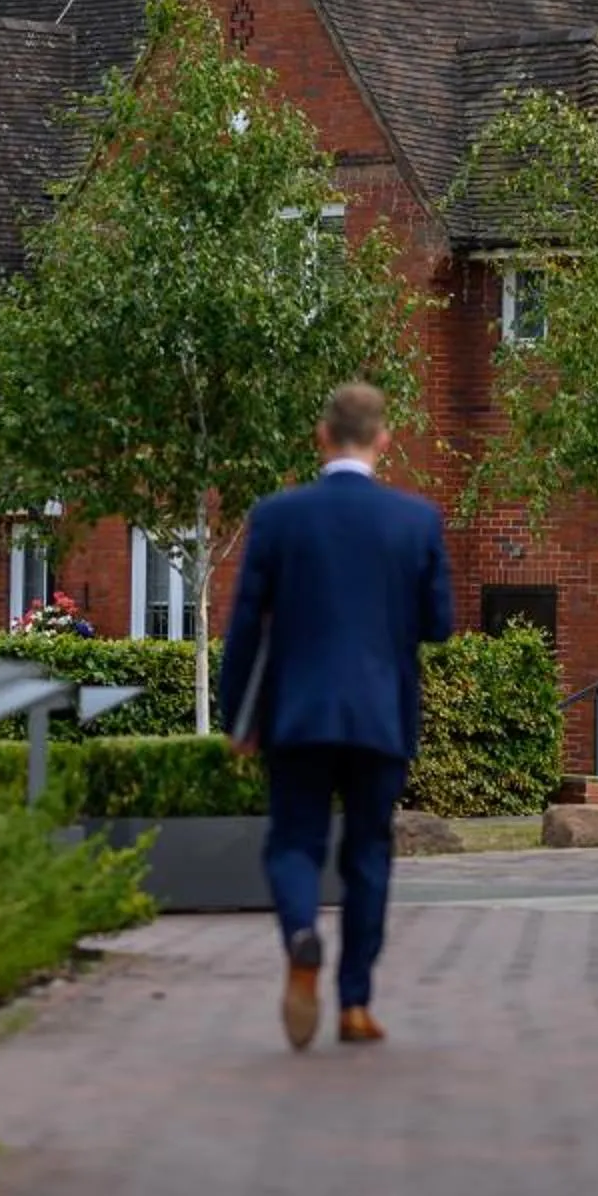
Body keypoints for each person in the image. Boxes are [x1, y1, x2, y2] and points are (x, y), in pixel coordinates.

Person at [217, 380, 455, 1051]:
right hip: (381, 713)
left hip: (298, 711)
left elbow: (243, 630)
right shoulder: (415, 522)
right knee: (369, 853)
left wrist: (238, 716)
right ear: (384, 440)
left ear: (321, 437)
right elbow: (439, 625)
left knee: (293, 841)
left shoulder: (278, 517)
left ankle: (300, 935)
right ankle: (354, 1004)